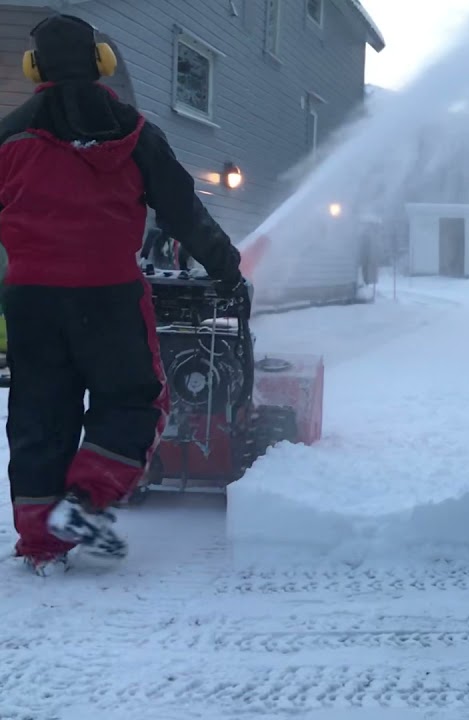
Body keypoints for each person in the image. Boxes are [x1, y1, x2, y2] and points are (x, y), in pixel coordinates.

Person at [0, 14, 244, 574]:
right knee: (137, 400)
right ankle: (84, 503)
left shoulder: (9, 136)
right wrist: (226, 268)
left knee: (39, 412)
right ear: (102, 63)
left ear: (34, 68)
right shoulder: (134, 133)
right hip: (107, 295)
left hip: (30, 300)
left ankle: (42, 546)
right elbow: (182, 211)